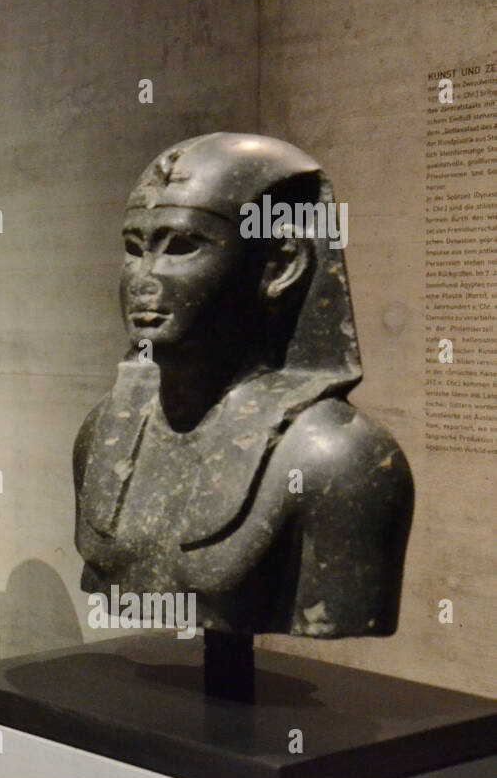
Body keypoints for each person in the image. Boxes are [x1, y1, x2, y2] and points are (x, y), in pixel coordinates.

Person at [73, 133, 412, 638]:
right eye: (134, 248)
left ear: (281, 266)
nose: (144, 278)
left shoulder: (338, 460)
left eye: (181, 246)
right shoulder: (102, 432)